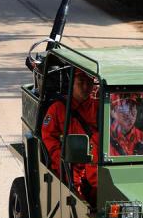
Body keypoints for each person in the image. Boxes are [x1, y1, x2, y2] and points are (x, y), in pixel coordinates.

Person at [41, 69, 99, 203]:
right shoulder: (58, 109)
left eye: (89, 83)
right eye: (81, 82)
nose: (86, 87)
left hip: (94, 161)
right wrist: (61, 159)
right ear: (72, 82)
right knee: (76, 192)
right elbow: (48, 138)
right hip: (69, 162)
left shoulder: (98, 107)